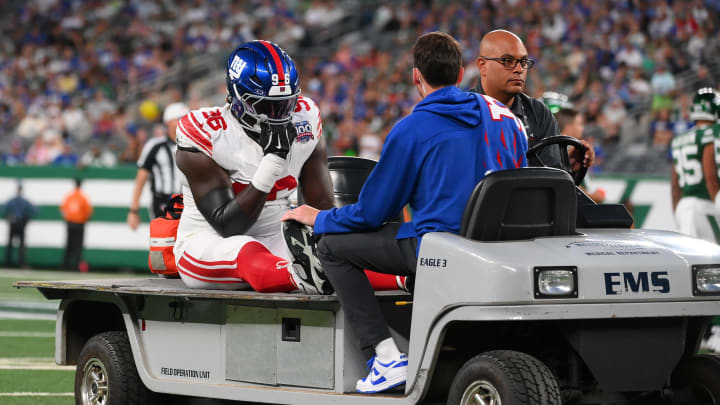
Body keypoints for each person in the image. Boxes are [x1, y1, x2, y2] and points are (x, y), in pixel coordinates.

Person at [283, 32, 528, 393]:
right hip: (504, 248)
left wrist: (319, 218)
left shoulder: (412, 129)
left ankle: (384, 358)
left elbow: (371, 214)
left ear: (417, 77)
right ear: (461, 75)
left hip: (442, 248)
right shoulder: (508, 119)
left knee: (333, 245)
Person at [172, 40, 337, 294]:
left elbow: (321, 207)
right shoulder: (208, 131)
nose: (278, 115)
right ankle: (300, 277)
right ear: (235, 97)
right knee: (247, 250)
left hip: (276, 236)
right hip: (209, 241)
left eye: (285, 104)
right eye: (266, 106)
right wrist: (272, 161)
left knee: (333, 254)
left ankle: (404, 279)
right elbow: (228, 226)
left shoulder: (306, 116)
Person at [472, 29, 594, 172]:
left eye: (523, 62)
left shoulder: (539, 113)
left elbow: (551, 181)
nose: (519, 69)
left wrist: (569, 170)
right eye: (508, 61)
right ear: (482, 65)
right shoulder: (462, 112)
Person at [128, 102, 189, 230]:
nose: (184, 122)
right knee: (163, 243)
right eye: (179, 118)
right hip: (163, 201)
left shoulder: (194, 145)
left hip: (189, 202)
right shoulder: (155, 146)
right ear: (168, 122)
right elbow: (141, 178)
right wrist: (134, 210)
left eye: (186, 118)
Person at [670, 87, 720, 243]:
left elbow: (675, 185)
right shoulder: (712, 133)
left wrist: (677, 212)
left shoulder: (679, 138)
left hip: (684, 207)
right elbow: (710, 175)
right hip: (705, 203)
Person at [543, 92, 606, 203]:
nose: (582, 128)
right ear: (568, 127)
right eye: (579, 124)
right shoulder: (558, 150)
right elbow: (564, 182)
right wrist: (592, 196)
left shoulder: (553, 147)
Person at [60, 179, 93, 270]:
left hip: (70, 223)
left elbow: (63, 210)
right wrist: (84, 219)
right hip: (80, 224)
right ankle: (76, 266)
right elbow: (88, 212)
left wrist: (67, 219)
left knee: (68, 244)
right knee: (78, 246)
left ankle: (65, 265)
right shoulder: (83, 197)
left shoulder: (69, 197)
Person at [2, 183, 36, 268]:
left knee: (10, 244)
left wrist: (7, 217)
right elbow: (34, 210)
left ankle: (8, 263)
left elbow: (4, 209)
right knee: (21, 245)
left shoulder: (13, 200)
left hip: (13, 223)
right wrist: (27, 219)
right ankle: (21, 263)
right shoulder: (24, 201)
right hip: (20, 223)